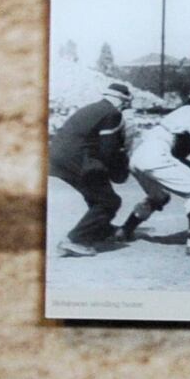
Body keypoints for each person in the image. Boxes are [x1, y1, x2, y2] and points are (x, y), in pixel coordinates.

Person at [122, 84, 190, 256]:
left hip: (138, 158)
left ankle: (124, 230)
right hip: (155, 156)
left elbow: (175, 157)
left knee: (159, 197)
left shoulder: (179, 114)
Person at [49, 79, 135, 254]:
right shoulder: (112, 113)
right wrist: (120, 167)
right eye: (126, 104)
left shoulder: (93, 108)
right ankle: (75, 239)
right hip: (77, 158)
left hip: (58, 157)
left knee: (97, 196)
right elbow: (108, 150)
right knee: (109, 201)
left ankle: (99, 230)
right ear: (123, 101)